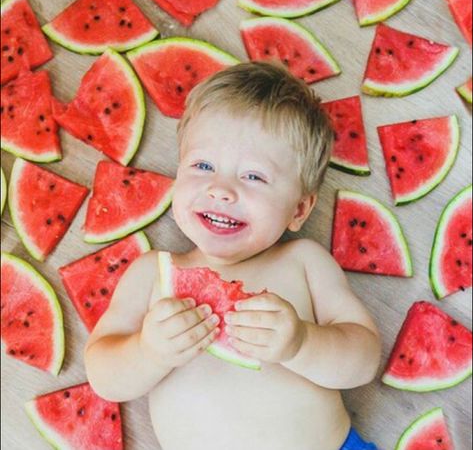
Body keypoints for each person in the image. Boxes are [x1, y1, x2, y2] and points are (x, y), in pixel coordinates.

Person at [84, 61, 381, 450]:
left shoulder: (304, 262)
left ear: (299, 210)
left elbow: (363, 360)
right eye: (203, 165)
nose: (221, 188)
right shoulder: (151, 274)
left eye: (254, 177)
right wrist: (148, 351)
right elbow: (105, 377)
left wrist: (302, 342)